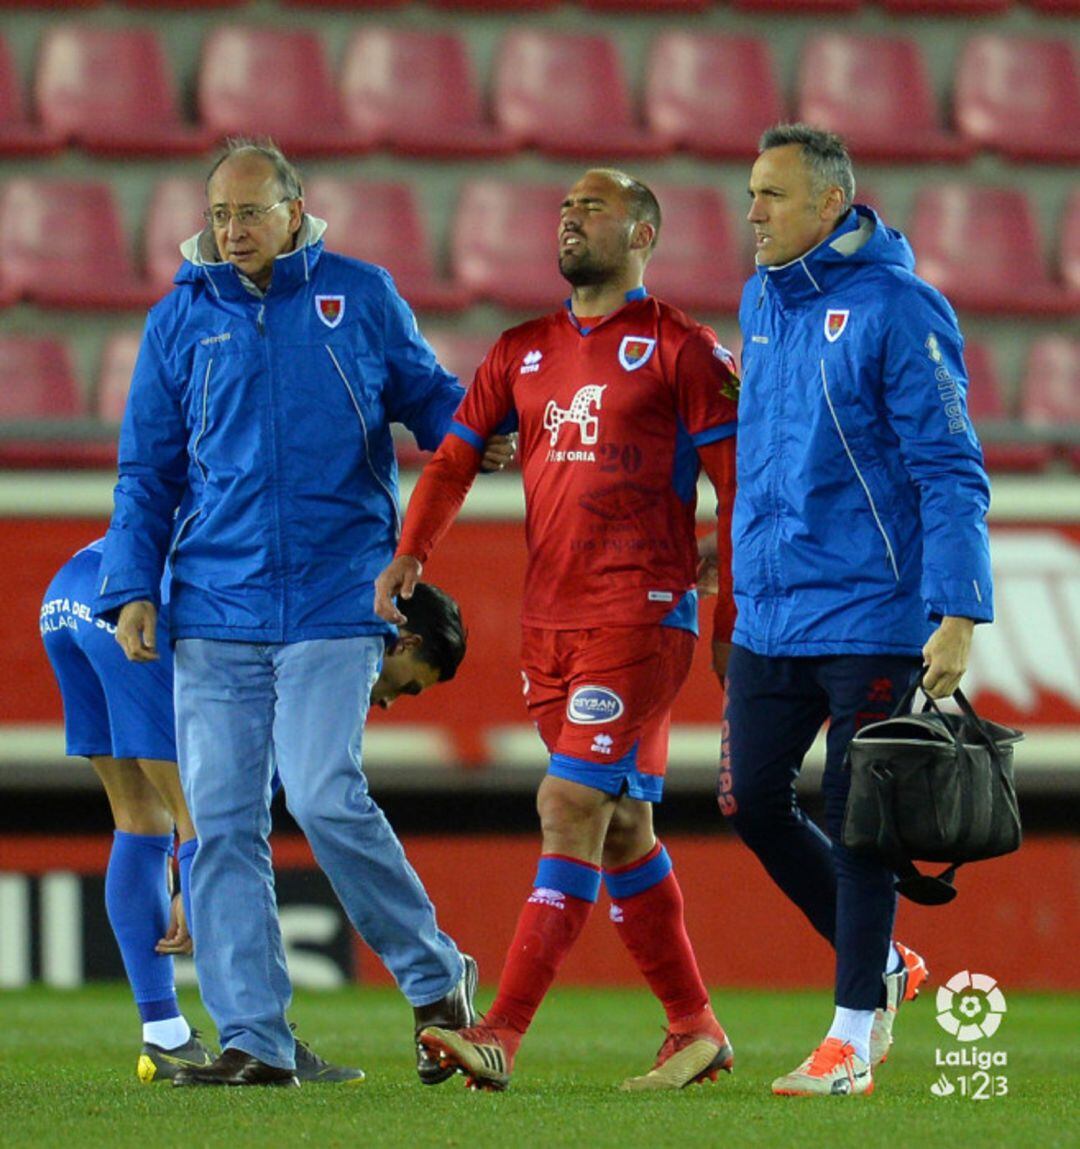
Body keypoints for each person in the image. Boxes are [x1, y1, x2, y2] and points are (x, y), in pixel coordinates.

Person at [93, 140, 513, 1088]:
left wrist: (474, 432)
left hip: (335, 594)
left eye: (250, 212)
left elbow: (428, 394)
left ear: (296, 210)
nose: (232, 230)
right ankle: (254, 1037)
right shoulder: (177, 320)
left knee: (324, 791)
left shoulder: (360, 297)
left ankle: (434, 973)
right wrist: (131, 589)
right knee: (222, 826)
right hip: (216, 604)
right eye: (220, 215)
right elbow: (146, 472)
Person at [375, 169, 740, 1092]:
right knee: (620, 829)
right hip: (550, 625)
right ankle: (695, 1026)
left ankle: (499, 1030)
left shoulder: (682, 349)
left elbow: (743, 484)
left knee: (567, 804)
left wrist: (725, 580)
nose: (571, 218)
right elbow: (453, 459)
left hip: (641, 617)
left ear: (645, 232)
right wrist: (412, 552)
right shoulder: (521, 350)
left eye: (594, 207)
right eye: (565, 208)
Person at [721, 123, 992, 1097]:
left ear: (831, 204)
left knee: (859, 818)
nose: (751, 212)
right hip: (772, 613)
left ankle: (849, 1039)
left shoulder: (900, 307)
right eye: (752, 191)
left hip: (875, 609)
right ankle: (880, 964)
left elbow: (951, 466)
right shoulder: (761, 299)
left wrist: (957, 609)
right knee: (750, 800)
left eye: (773, 196)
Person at [43, 538, 471, 1084]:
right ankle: (257, 1041)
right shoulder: (324, 643)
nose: (387, 702)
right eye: (407, 687)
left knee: (137, 819)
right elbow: (212, 830)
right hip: (140, 605)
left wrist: (191, 878)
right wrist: (194, 877)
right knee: (203, 821)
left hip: (72, 590)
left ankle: (165, 1031)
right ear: (401, 642)